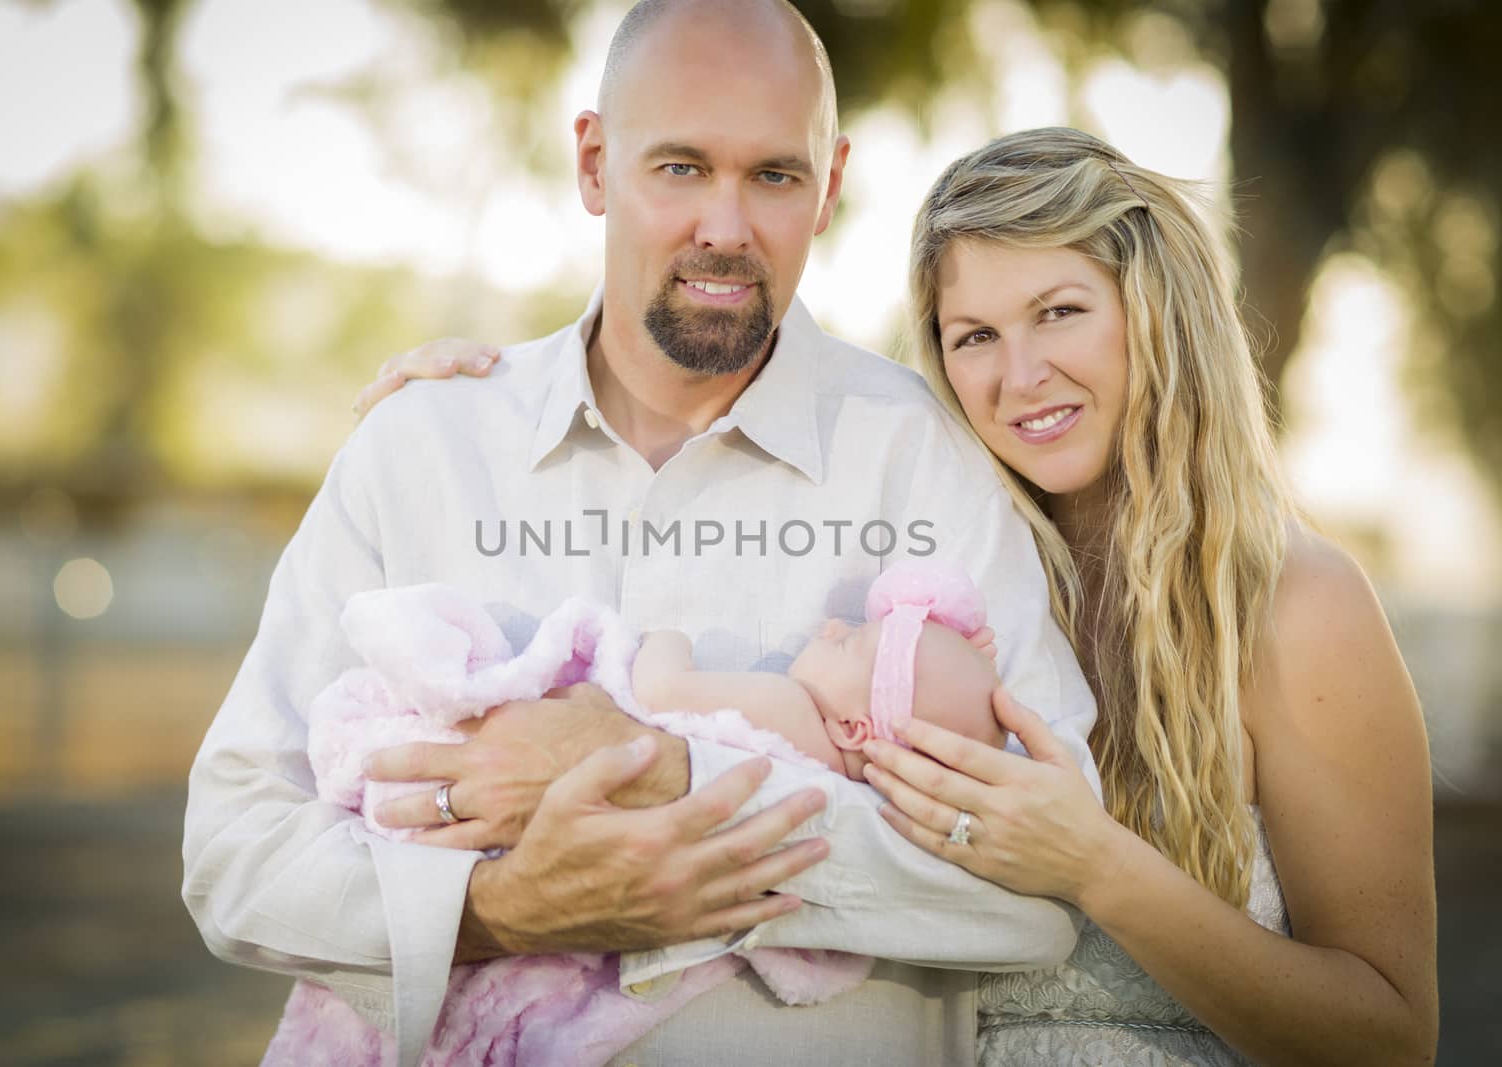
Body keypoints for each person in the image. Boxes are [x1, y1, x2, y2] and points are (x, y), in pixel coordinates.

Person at [367, 129, 1440, 1064]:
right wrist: (468, 415)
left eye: (1058, 311)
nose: (1017, 377)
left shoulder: (1295, 603)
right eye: (973, 335)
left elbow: (1392, 1035)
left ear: (1157, 314)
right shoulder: (928, 576)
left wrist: (1095, 865)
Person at [182, 4, 1099, 1067]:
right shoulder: (422, 449)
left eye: (773, 175)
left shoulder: (928, 455)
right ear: (593, 162)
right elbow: (235, 850)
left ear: (831, 185)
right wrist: (498, 906)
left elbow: (1042, 890)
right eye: (678, 168)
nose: (725, 225)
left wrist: (678, 780)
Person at [634, 558, 1006, 779]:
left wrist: (664, 638)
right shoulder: (839, 774)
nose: (833, 627)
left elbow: (659, 693)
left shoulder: (790, 707)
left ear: (852, 728)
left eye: (846, 642)